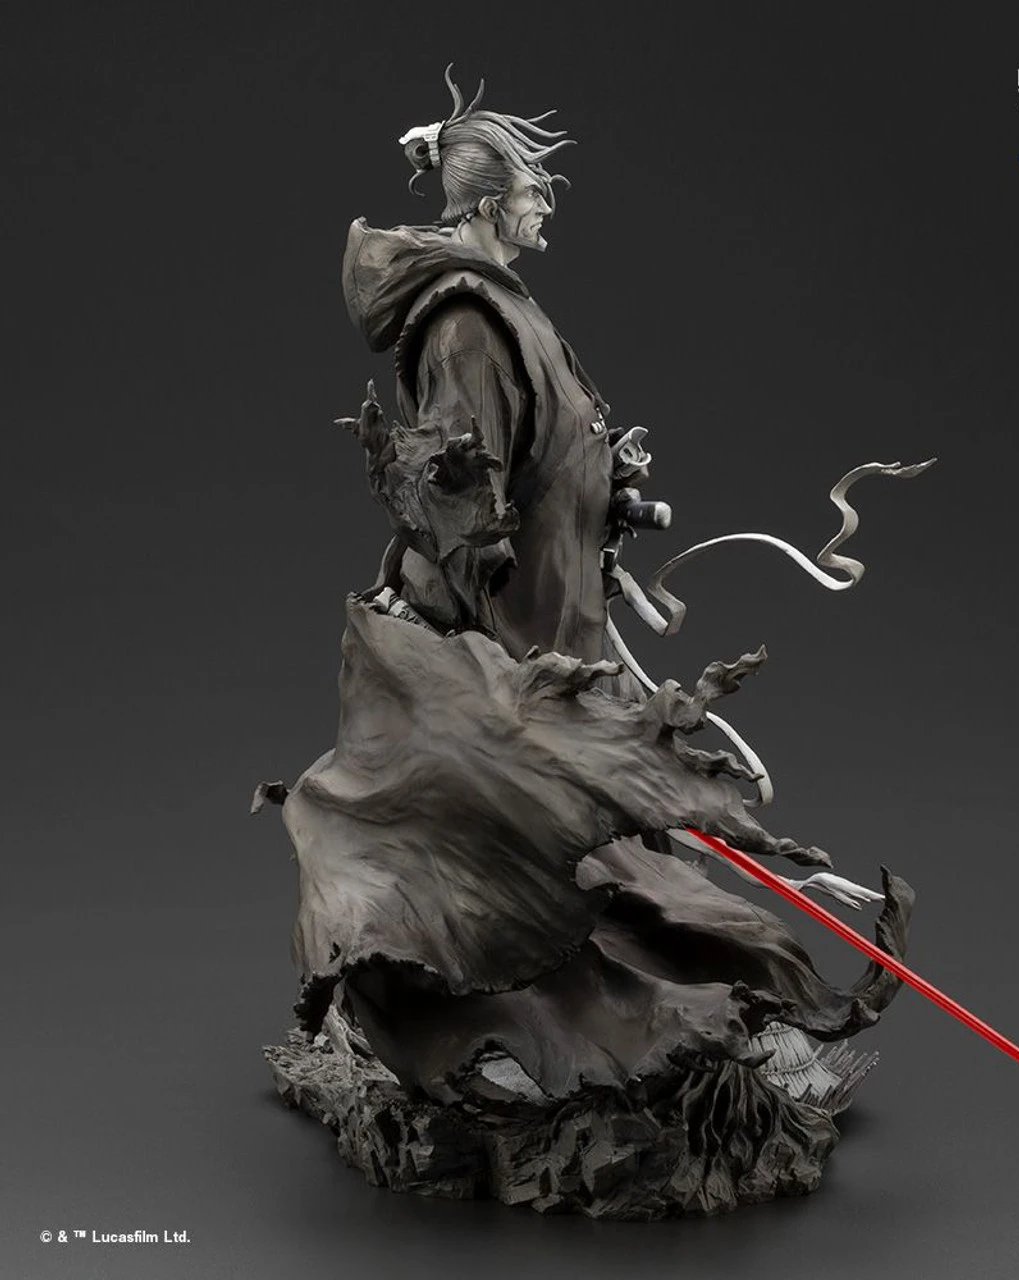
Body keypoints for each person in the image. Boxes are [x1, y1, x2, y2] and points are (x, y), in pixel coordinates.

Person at [271, 68, 914, 1219]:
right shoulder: (467, 322)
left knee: (631, 864)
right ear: (487, 202)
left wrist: (605, 494)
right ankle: (538, 1049)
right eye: (534, 192)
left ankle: (669, 1015)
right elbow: (459, 501)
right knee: (544, 862)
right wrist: (485, 661)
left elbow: (542, 454)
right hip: (509, 652)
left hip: (560, 625)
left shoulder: (507, 308)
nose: (545, 207)